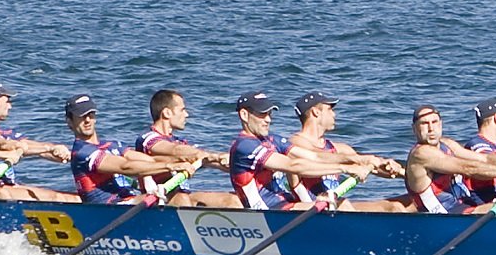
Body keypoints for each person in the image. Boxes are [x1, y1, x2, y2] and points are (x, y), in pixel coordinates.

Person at [226, 91, 388, 210]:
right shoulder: (244, 146)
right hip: (266, 212)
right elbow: (294, 166)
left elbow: (314, 157)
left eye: (269, 114)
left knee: (341, 205)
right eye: (262, 114)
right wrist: (345, 168)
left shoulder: (271, 139)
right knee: (329, 209)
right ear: (244, 115)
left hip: (286, 204)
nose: (268, 119)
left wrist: (359, 160)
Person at [64, 94, 207, 206]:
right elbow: (125, 166)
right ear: (70, 121)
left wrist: (181, 160)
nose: (88, 120)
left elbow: (149, 160)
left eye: (90, 115)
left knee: (183, 196)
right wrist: (171, 166)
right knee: (177, 198)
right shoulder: (82, 153)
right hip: (109, 209)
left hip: (131, 200)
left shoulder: (112, 145)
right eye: (81, 117)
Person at [400, 103, 496, 214]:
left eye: (435, 122)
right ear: (414, 129)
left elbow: (484, 159)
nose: (431, 128)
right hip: (444, 215)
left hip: (462, 206)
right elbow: (468, 168)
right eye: (425, 124)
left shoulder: (446, 143)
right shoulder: (421, 154)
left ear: (441, 124)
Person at [287, 92, 405, 211]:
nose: (334, 114)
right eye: (330, 109)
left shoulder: (338, 148)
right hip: (307, 209)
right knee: (344, 204)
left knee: (395, 207)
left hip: (333, 207)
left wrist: (391, 167)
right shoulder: (295, 143)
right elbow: (317, 156)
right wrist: (357, 161)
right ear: (315, 112)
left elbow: (369, 165)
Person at [0, 81, 77, 202]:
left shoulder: (5, 132)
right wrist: (48, 148)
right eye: (7, 101)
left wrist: (59, 152)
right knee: (58, 198)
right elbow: (3, 145)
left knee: (71, 196)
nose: (10, 106)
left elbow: (33, 147)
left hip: (8, 186)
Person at [134, 88, 240, 208]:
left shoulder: (179, 142)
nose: (187, 114)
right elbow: (174, 150)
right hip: (157, 199)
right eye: (182, 110)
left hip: (182, 196)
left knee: (233, 200)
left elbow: (204, 159)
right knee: (182, 198)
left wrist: (233, 164)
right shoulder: (148, 138)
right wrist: (213, 156)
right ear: (167, 113)